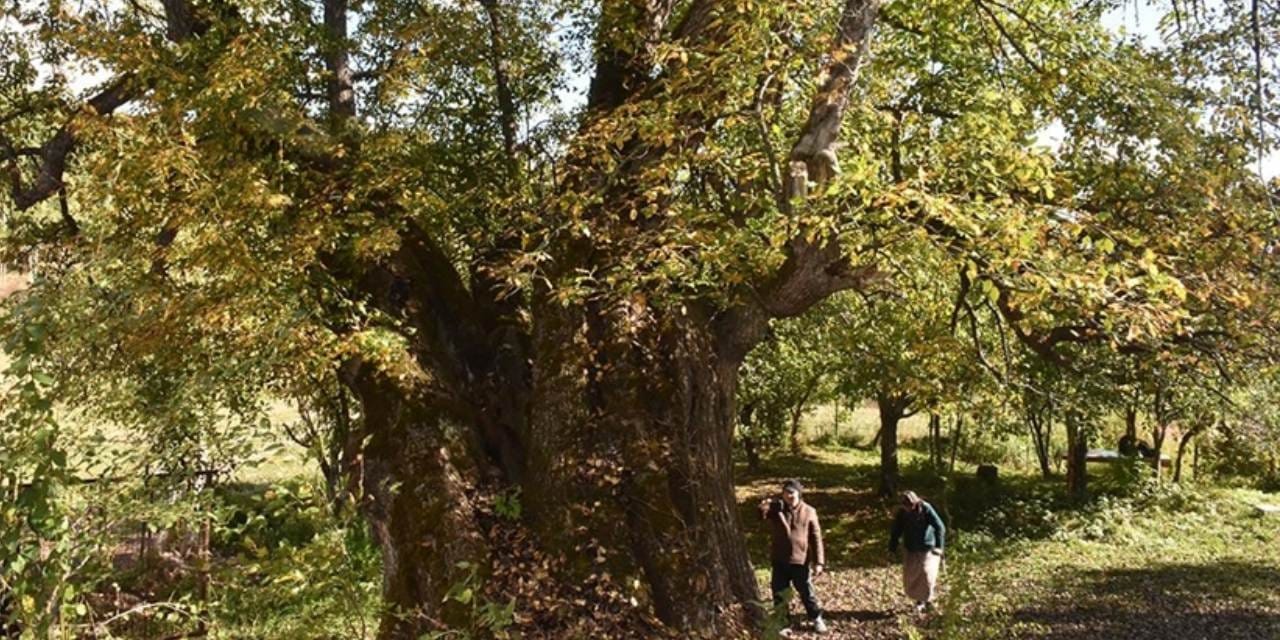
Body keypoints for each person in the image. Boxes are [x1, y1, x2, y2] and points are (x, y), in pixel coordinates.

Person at [758, 479, 828, 635]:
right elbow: (761, 514)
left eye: (792, 493)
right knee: (779, 592)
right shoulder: (777, 510)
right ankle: (783, 622)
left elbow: (816, 538)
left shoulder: (809, 511)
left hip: (800, 560)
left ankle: (816, 617)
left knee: (806, 592)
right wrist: (765, 504)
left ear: (799, 494)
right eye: (786, 493)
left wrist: (819, 562)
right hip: (780, 559)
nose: (789, 496)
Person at [888, 490, 945, 613]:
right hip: (910, 547)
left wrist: (939, 547)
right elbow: (896, 531)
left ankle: (925, 600)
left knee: (926, 574)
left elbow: (939, 526)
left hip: (927, 547)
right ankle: (920, 599)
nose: (908, 508)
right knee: (911, 575)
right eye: (905, 506)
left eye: (910, 505)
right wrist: (892, 548)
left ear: (915, 502)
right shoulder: (902, 512)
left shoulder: (925, 508)